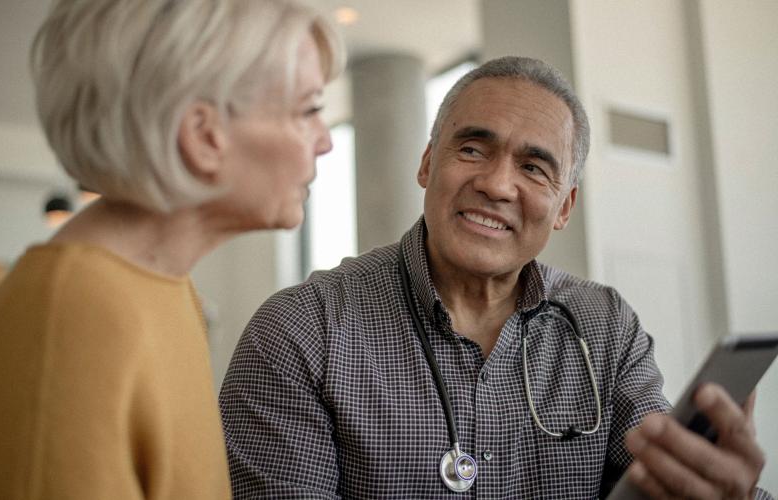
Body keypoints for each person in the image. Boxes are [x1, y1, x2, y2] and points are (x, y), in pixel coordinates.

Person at [220, 55, 770, 499]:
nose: (498, 185)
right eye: (472, 149)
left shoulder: (605, 329)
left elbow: (662, 481)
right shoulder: (301, 332)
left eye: (533, 168)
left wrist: (724, 489)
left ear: (563, 206)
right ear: (427, 164)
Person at [0, 0, 344, 498]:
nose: (325, 142)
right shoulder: (73, 314)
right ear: (203, 136)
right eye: (308, 111)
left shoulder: (165, 287)